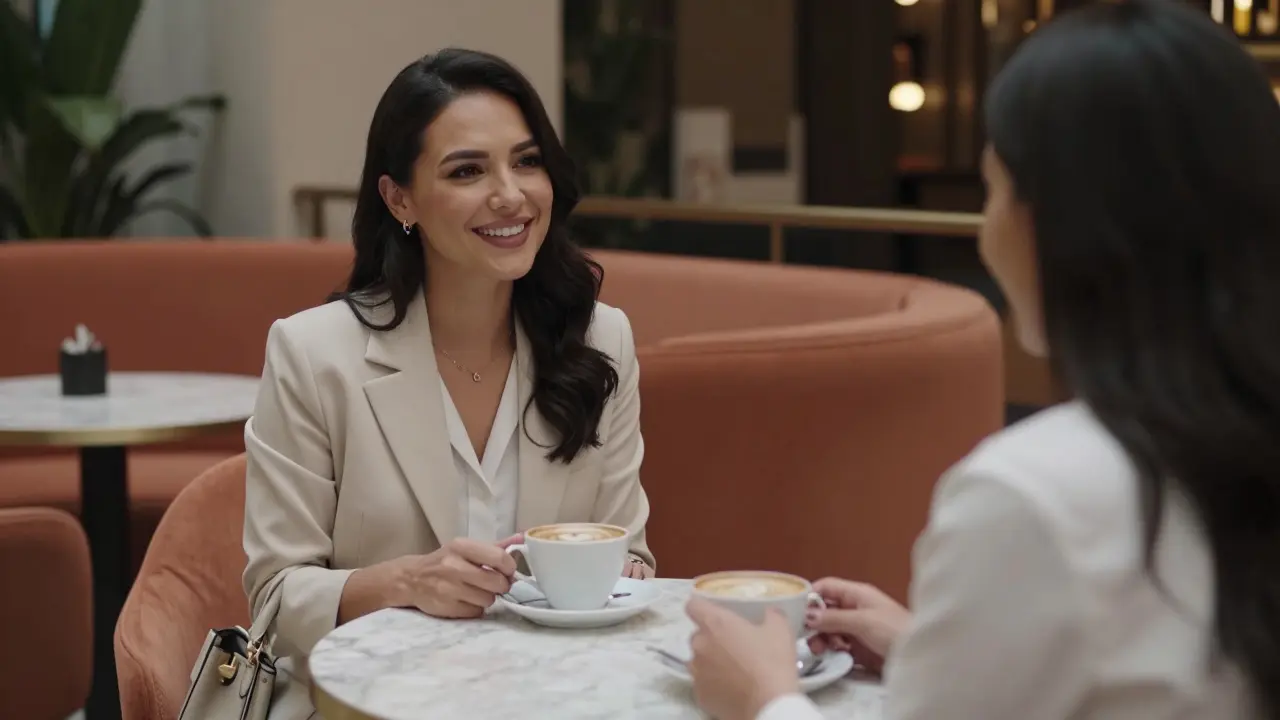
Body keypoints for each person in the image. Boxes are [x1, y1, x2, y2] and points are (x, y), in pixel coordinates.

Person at [686, 2, 1280, 718]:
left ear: (1055, 223)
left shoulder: (1032, 495)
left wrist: (764, 696)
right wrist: (936, 649)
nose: (984, 236)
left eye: (994, 190)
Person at [241, 48, 655, 717]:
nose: (511, 194)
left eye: (526, 161)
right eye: (467, 170)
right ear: (399, 198)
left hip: (552, 698)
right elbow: (275, 601)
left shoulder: (600, 340)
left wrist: (625, 577)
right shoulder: (315, 353)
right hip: (369, 701)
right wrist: (406, 581)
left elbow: (629, 551)